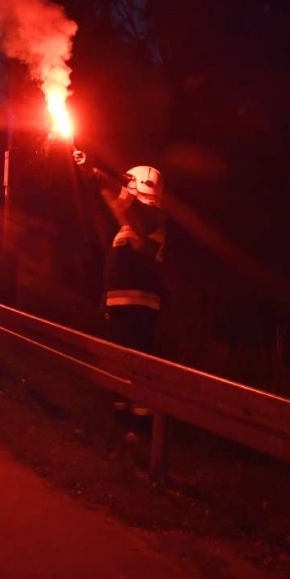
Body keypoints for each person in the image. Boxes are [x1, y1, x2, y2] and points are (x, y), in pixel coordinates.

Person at [101, 164, 167, 436]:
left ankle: (140, 428)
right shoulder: (132, 222)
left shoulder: (152, 218)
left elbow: (124, 202)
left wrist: (93, 172)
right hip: (121, 306)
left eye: (131, 181)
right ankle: (122, 421)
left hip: (140, 309)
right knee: (120, 364)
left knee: (138, 367)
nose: (126, 186)